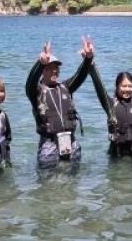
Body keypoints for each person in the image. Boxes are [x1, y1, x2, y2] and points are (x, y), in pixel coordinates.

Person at [25, 38, 94, 168]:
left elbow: (80, 75)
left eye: (56, 68)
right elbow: (30, 82)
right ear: (43, 71)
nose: (54, 70)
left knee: (72, 183)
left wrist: (88, 58)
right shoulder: (36, 91)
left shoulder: (66, 87)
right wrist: (39, 64)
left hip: (71, 142)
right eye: (50, 68)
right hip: (49, 145)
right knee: (49, 184)